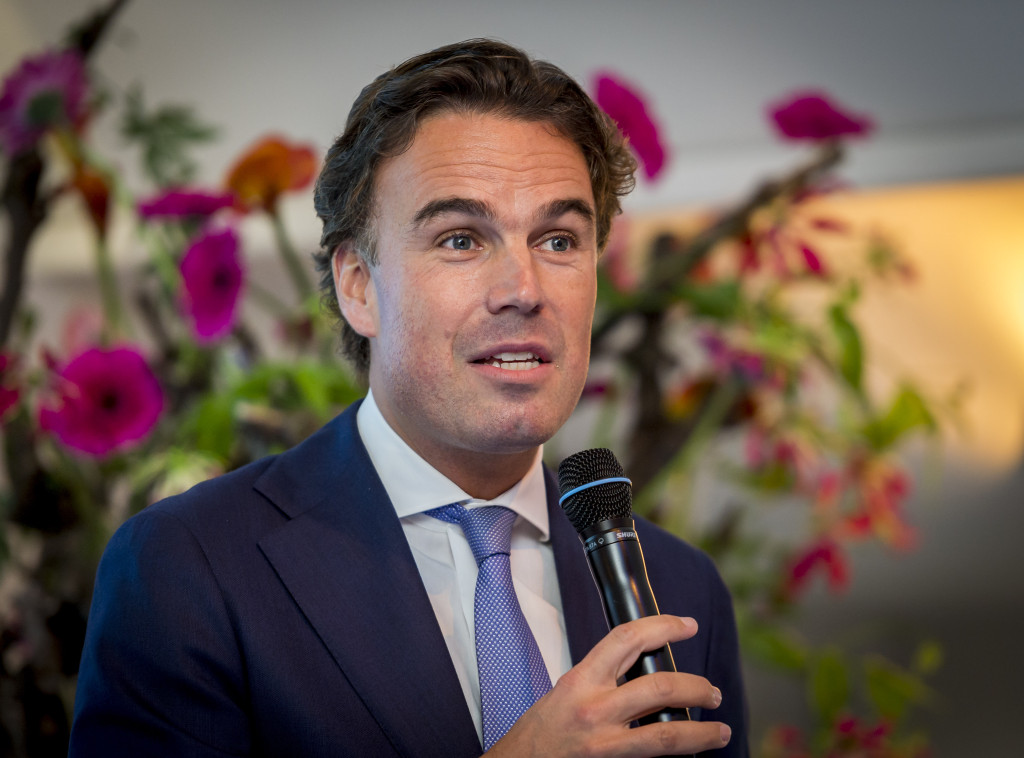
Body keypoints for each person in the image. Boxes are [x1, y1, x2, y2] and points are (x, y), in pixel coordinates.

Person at [70, 39, 748, 757]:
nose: (524, 289)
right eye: (460, 240)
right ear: (359, 286)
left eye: (558, 240)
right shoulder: (188, 566)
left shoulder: (683, 589)